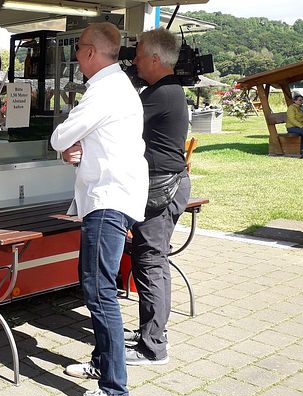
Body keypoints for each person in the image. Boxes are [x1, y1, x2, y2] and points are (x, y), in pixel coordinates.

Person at [50, 22, 148, 396]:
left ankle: (114, 391)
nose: (75, 57)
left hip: (107, 201)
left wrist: (68, 146)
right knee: (100, 287)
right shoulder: (118, 86)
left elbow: (60, 136)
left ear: (91, 52)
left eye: (77, 50)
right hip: (112, 196)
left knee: (98, 291)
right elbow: (89, 143)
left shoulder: (104, 92)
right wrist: (76, 149)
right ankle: (102, 363)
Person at [124, 27, 192, 366]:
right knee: (155, 260)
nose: (133, 60)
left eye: (138, 55)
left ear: (154, 58)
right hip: (171, 184)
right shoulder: (169, 89)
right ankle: (151, 333)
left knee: (150, 262)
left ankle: (153, 347)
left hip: (161, 188)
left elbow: (119, 125)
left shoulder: (159, 95)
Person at [286, 93, 303, 158]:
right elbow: (292, 119)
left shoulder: (302, 108)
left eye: (302, 100)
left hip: (301, 127)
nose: (302, 101)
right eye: (300, 100)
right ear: (294, 101)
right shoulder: (291, 108)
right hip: (292, 127)